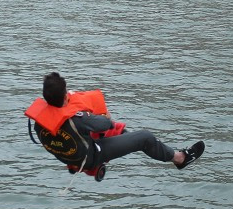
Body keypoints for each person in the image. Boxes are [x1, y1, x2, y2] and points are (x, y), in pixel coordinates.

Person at [25, 72, 205, 182]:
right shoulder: (77, 118)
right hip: (89, 157)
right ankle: (180, 159)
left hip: (66, 157)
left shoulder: (38, 120)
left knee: (120, 131)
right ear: (65, 96)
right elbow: (105, 123)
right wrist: (84, 109)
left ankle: (85, 165)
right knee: (144, 137)